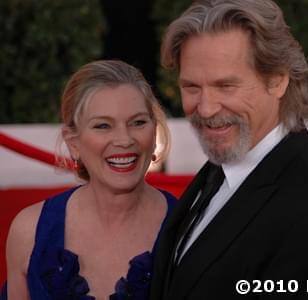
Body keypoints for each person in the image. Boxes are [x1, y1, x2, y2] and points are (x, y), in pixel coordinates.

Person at [150, 0, 308, 299]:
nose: (206, 108)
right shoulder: (229, 162)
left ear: (277, 80)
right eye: (191, 87)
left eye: (226, 86)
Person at [2, 60, 177, 299]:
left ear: (153, 131)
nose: (124, 140)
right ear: (73, 143)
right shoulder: (29, 232)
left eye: (138, 122)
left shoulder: (188, 230)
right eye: (103, 126)